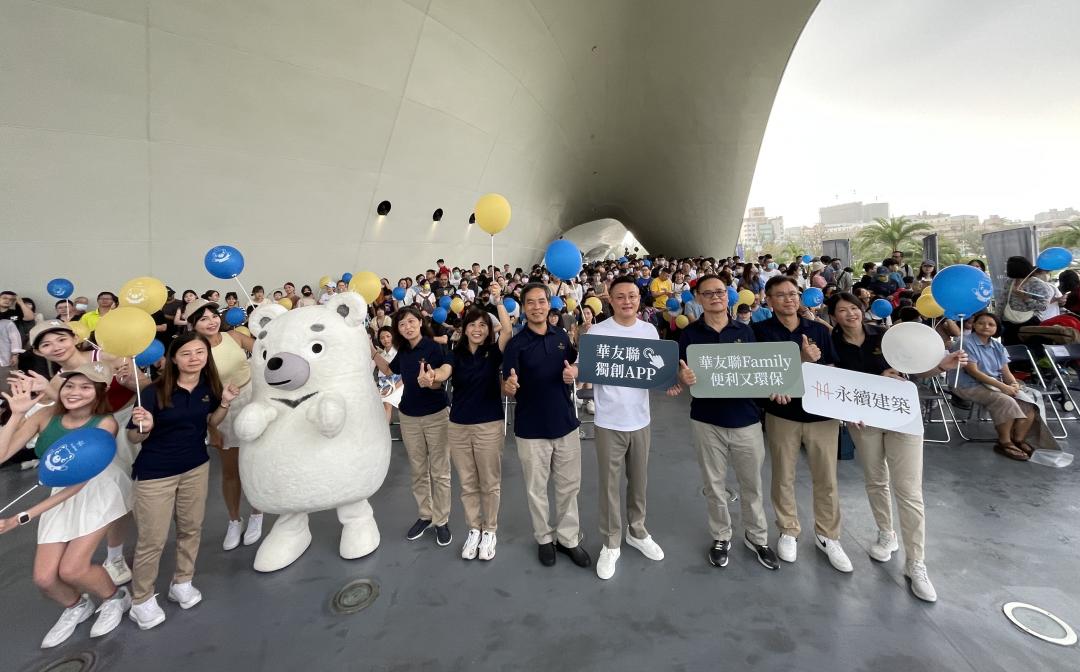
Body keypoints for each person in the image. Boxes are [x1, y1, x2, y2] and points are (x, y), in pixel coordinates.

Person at [829, 293, 966, 602]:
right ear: (833, 316)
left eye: (854, 307)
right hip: (863, 420)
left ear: (862, 310)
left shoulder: (887, 335)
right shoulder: (832, 343)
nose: (850, 313)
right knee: (875, 479)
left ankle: (916, 562)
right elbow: (832, 383)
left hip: (901, 415)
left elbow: (916, 371)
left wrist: (941, 366)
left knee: (909, 490)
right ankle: (885, 533)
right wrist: (869, 385)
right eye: (842, 310)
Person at [0, 363, 134, 647]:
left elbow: (81, 481)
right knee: (45, 578)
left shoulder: (104, 424)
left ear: (98, 393)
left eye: (85, 387)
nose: (75, 393)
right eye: (69, 386)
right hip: (61, 490)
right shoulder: (45, 416)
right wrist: (18, 414)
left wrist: (21, 517)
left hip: (98, 489)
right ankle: (76, 606)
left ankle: (115, 598)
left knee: (73, 569)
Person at [125, 333, 238, 630]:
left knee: (191, 528)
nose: (194, 358)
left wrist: (224, 403)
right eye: (186, 353)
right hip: (155, 473)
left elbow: (211, 422)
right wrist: (144, 428)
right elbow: (132, 436)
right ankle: (141, 599)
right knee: (152, 539)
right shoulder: (153, 391)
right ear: (173, 358)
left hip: (196, 467)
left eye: (200, 352)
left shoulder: (208, 387)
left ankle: (183, 582)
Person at [668, 275, 779, 571]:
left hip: (746, 419)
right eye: (709, 293)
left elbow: (761, 371)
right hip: (706, 420)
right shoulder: (690, 335)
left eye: (720, 292)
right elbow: (680, 372)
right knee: (714, 484)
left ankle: (757, 537)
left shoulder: (746, 331)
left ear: (727, 296)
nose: (715, 297)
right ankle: (721, 536)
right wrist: (684, 378)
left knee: (751, 484)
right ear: (699, 298)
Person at [753, 275, 853, 572]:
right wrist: (802, 360)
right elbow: (761, 374)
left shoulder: (819, 330)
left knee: (827, 478)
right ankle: (788, 529)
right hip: (782, 415)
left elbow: (834, 368)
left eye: (794, 294)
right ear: (768, 301)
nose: (789, 299)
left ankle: (828, 535)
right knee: (783, 474)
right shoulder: (759, 332)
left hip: (822, 416)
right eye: (781, 295)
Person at [502, 282, 590, 569]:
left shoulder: (561, 336)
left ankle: (568, 539)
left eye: (542, 301)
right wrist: (510, 386)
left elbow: (578, 364)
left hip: (565, 423)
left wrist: (574, 372)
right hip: (531, 428)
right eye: (531, 302)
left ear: (548, 303)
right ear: (524, 307)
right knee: (536, 489)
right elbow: (506, 385)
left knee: (568, 487)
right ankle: (544, 538)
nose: (537, 307)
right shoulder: (516, 344)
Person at [585, 276, 667, 580]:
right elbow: (586, 370)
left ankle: (637, 530)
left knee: (639, 481)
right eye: (620, 297)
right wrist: (574, 372)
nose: (627, 301)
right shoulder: (598, 331)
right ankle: (611, 542)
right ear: (610, 300)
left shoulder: (649, 331)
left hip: (640, 420)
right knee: (609, 484)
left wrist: (670, 381)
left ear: (639, 298)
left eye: (632, 295)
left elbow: (658, 372)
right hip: (609, 421)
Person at [184, 300, 262, 551]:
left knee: (255, 463)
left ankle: (257, 514)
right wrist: (211, 427)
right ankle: (233, 520)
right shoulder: (194, 351)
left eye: (213, 315)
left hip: (251, 400)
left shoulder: (233, 336)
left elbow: (265, 349)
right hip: (222, 408)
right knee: (230, 471)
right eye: (203, 318)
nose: (211, 321)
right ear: (194, 324)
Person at [372, 306, 453, 547]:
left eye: (410, 321)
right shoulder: (404, 351)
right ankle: (425, 515)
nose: (407, 327)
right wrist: (372, 351)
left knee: (440, 472)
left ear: (420, 321)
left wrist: (432, 380)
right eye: (402, 324)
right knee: (418, 471)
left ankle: (441, 520)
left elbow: (442, 375)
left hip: (436, 416)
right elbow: (389, 370)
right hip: (408, 417)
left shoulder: (433, 347)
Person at [446, 282, 513, 561]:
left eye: (483, 326)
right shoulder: (455, 354)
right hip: (459, 425)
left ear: (488, 329)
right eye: (473, 324)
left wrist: (498, 301)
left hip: (488, 425)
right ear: (465, 328)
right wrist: (434, 377)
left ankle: (490, 530)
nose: (478, 329)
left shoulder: (493, 353)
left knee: (490, 482)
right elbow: (444, 371)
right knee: (468, 483)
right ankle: (474, 528)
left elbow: (508, 330)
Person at [952, 312, 1061, 461]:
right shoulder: (965, 342)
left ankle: (1018, 439)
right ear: (974, 325)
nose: (986, 326)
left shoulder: (997, 345)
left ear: (997, 328)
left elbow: (1006, 371)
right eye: (981, 323)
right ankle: (1004, 442)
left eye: (991, 324)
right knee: (1005, 401)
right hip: (967, 385)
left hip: (994, 385)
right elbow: (973, 372)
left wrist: (1013, 384)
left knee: (1029, 402)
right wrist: (1003, 387)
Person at [1000, 255, 1053, 345]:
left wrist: (1025, 298)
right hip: (1008, 323)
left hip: (1029, 323)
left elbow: (1043, 306)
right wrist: (997, 319)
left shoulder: (1038, 284)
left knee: (1030, 351)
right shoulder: (1009, 282)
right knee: (1010, 352)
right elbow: (1002, 302)